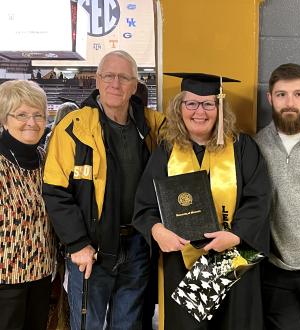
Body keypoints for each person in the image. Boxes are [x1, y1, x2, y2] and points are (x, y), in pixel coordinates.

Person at [132, 72, 271, 330]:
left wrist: (237, 235)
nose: (200, 112)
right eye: (191, 103)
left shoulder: (242, 147)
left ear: (219, 108)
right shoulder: (166, 151)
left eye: (208, 104)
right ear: (179, 108)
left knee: (234, 323)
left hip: (234, 257)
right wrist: (157, 230)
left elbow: (259, 199)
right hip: (181, 260)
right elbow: (145, 205)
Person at [42, 50, 166, 330]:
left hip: (136, 246)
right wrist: (77, 244)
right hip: (91, 250)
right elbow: (54, 191)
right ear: (96, 80)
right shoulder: (72, 128)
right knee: (89, 324)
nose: (115, 83)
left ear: (135, 85)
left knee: (128, 324)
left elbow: (187, 136)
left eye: (124, 77)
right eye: (108, 76)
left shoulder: (152, 126)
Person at [255, 63, 300, 330]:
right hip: (276, 269)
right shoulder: (256, 145)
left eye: (298, 94)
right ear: (270, 98)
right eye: (281, 94)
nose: (289, 102)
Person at [0, 80, 55, 330]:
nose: (31, 122)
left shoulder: (45, 159)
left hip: (42, 274)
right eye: (21, 114)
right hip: (5, 280)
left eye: (38, 115)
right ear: (4, 119)